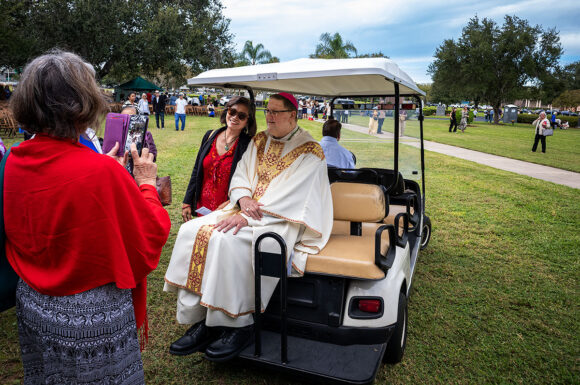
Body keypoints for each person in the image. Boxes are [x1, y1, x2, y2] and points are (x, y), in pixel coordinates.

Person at [5, 50, 171, 384]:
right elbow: (150, 234)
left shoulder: (13, 160)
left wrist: (102, 163)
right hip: (91, 319)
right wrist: (148, 185)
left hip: (34, 304)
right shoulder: (102, 172)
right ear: (84, 102)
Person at [164, 92, 332, 361]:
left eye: (277, 112)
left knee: (225, 240)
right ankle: (203, 319)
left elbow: (297, 196)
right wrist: (242, 198)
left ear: (293, 115)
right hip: (242, 208)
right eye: (268, 111)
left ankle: (237, 324)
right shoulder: (260, 140)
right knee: (191, 231)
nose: (270, 117)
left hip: (279, 219)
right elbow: (241, 173)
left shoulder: (311, 150)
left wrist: (247, 215)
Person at [181, 96, 256, 222]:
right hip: (202, 206)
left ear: (248, 121)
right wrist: (187, 201)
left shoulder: (248, 145)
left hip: (227, 210)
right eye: (232, 111)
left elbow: (249, 182)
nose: (235, 117)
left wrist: (234, 202)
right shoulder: (210, 135)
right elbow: (196, 169)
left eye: (241, 116)